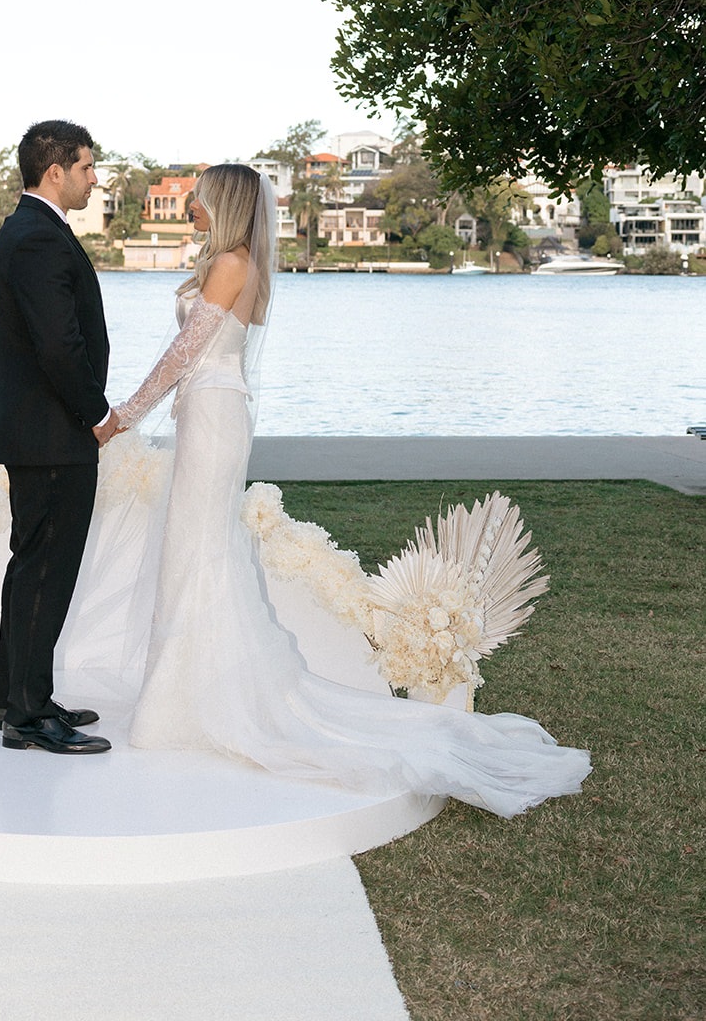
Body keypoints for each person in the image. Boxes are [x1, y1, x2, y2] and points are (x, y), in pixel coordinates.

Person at [112, 163, 590, 817]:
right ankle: (185, 694)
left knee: (198, 550)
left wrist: (122, 417)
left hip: (213, 416)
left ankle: (190, 701)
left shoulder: (229, 263)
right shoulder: (235, 262)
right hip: (210, 412)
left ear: (222, 203)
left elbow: (183, 354)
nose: (189, 204)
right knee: (195, 550)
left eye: (198, 197)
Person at [0, 120, 119, 755]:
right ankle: (29, 717)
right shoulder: (38, 236)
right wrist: (96, 413)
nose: (95, 179)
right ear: (55, 171)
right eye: (87, 167)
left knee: (30, 565)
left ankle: (17, 697)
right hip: (53, 432)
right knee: (45, 571)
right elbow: (58, 345)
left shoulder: (29, 229)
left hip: (39, 430)